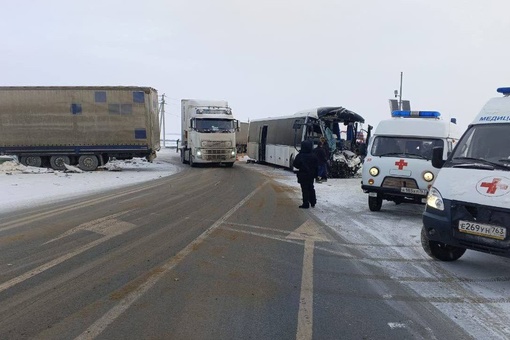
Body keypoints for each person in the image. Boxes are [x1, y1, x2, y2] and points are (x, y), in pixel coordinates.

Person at [293, 139, 319, 209]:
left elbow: (296, 165)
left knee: (304, 189)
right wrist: (316, 175)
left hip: (303, 174)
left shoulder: (300, 155)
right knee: (311, 187)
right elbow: (317, 166)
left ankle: (306, 203)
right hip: (311, 175)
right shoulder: (314, 156)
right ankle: (313, 201)